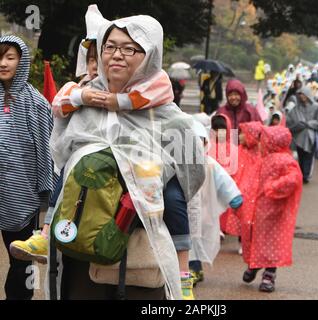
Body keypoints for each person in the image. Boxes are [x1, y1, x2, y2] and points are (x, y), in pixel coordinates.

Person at [46, 15, 205, 300]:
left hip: (141, 257)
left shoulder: (168, 116)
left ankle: (184, 275)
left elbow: (192, 175)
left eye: (130, 48)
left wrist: (144, 190)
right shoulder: (85, 100)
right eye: (109, 47)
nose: (116, 55)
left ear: (150, 55)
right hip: (80, 250)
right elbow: (60, 157)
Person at [0, 35, 54, 300]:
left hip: (22, 195)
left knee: (19, 259)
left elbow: (47, 150)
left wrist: (46, 194)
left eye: (10, 57)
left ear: (21, 62)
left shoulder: (37, 103)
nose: (3, 63)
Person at [241, 125, 303, 293]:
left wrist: (273, 187)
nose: (260, 145)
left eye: (263, 141)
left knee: (272, 242)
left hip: (275, 211)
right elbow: (251, 179)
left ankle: (269, 274)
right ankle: (254, 265)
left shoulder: (284, 160)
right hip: (257, 210)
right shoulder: (264, 159)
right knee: (254, 237)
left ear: (272, 142)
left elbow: (294, 179)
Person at [188, 120, 243, 285]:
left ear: (206, 142)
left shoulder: (211, 165)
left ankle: (194, 268)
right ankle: (191, 268)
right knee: (188, 239)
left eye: (201, 140)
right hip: (184, 210)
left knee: (199, 239)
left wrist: (233, 197)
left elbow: (224, 181)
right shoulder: (180, 164)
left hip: (204, 211)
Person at [286, 86, 318, 183]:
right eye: (300, 94)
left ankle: (306, 175)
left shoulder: (316, 107)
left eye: (303, 94)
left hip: (310, 137)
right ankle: (302, 174)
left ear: (308, 94)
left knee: (308, 156)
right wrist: (297, 125)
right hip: (299, 137)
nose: (301, 96)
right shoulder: (296, 108)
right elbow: (289, 122)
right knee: (301, 157)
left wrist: (310, 124)